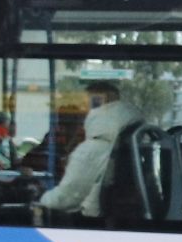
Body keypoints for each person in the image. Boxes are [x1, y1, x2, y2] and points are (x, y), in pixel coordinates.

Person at [35, 83, 138, 222]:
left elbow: (68, 197)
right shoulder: (131, 132)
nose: (82, 111)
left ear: (99, 102)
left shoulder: (96, 146)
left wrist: (41, 200)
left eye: (84, 104)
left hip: (93, 221)